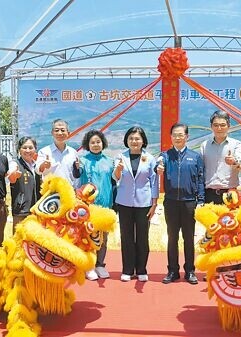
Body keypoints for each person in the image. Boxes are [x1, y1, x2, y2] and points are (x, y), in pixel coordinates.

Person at [157, 123, 204, 285]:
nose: (177, 137)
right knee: (172, 237)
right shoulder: (165, 155)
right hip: (171, 202)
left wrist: (201, 200)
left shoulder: (195, 156)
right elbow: (159, 165)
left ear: (187, 137)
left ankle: (190, 271)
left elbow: (200, 180)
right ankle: (172, 270)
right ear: (171, 137)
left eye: (180, 135)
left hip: (189, 202)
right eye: (174, 135)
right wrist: (159, 166)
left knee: (189, 238)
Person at [113, 127, 159, 282]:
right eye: (131, 138)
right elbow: (116, 178)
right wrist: (118, 170)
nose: (134, 141)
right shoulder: (120, 157)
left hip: (144, 202)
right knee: (126, 236)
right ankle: (127, 269)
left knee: (142, 236)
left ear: (143, 141)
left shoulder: (150, 158)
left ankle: (141, 269)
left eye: (137, 138)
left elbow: (154, 181)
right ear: (127, 140)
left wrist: (154, 202)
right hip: (124, 202)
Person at [73, 130, 115, 281]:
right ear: (87, 145)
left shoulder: (110, 161)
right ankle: (88, 266)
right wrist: (77, 167)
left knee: (103, 238)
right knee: (87, 236)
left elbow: (115, 181)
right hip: (87, 207)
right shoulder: (83, 160)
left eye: (98, 142)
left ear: (102, 143)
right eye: (92, 142)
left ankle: (100, 265)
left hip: (105, 205)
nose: (96, 145)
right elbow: (77, 174)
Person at [200, 110, 241, 204]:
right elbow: (200, 169)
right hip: (208, 194)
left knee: (229, 219)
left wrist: (233, 162)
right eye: (216, 125)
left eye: (223, 125)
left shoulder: (236, 144)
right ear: (211, 126)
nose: (219, 128)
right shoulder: (204, 145)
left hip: (230, 194)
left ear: (229, 126)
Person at [9, 136, 41, 232]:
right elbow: (11, 176)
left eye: (30, 148)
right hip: (21, 211)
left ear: (35, 149)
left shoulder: (37, 166)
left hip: (36, 211)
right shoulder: (15, 164)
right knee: (19, 240)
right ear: (19, 150)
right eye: (24, 147)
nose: (27, 150)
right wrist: (14, 174)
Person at [36, 119, 78, 186]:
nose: (60, 133)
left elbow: (75, 175)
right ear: (52, 133)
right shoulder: (44, 152)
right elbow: (38, 170)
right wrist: (43, 165)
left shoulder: (73, 152)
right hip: (50, 192)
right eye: (56, 130)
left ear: (68, 133)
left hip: (69, 193)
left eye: (63, 130)